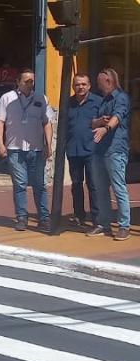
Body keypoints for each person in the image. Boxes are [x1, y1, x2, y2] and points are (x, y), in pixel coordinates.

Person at [0, 68, 54, 232]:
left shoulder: (41, 99)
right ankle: (22, 217)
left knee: (40, 185)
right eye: (26, 80)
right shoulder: (7, 98)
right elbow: (0, 122)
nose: (29, 83)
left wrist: (49, 145)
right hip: (15, 149)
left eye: (32, 80)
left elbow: (47, 123)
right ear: (18, 82)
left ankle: (44, 218)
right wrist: (0, 143)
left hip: (37, 149)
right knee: (19, 184)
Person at [89, 68, 132, 241]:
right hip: (100, 150)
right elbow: (93, 122)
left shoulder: (121, 98)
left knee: (118, 188)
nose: (98, 86)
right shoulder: (103, 100)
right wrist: (98, 123)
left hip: (115, 149)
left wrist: (106, 128)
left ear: (109, 81)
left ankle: (124, 226)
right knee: (100, 189)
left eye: (100, 82)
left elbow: (118, 117)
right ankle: (103, 224)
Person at [66, 74, 102, 229]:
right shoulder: (68, 103)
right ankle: (79, 216)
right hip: (73, 150)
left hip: (92, 150)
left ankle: (97, 220)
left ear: (89, 86)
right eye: (77, 84)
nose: (80, 87)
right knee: (76, 184)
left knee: (94, 185)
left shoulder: (98, 102)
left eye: (83, 84)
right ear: (73, 86)